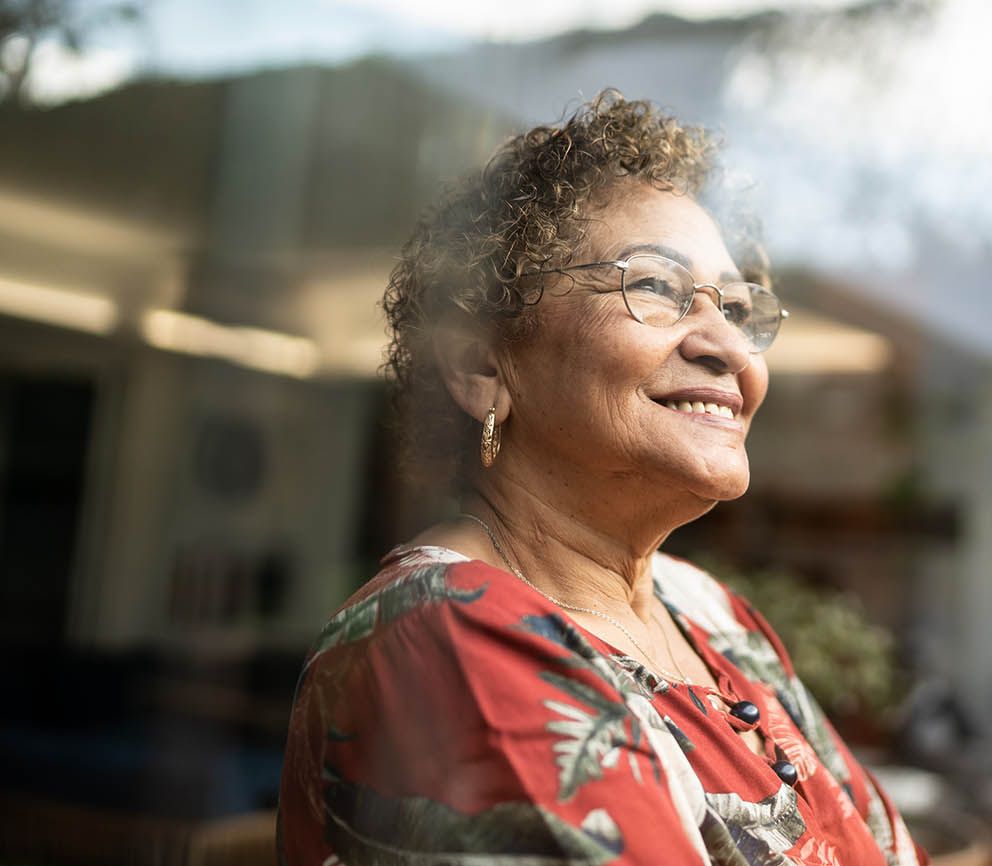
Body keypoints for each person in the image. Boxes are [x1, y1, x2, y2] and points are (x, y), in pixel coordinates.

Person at [278, 92, 929, 866]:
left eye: (736, 306)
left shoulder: (710, 614)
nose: (728, 345)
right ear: (483, 365)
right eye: (654, 286)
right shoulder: (446, 633)